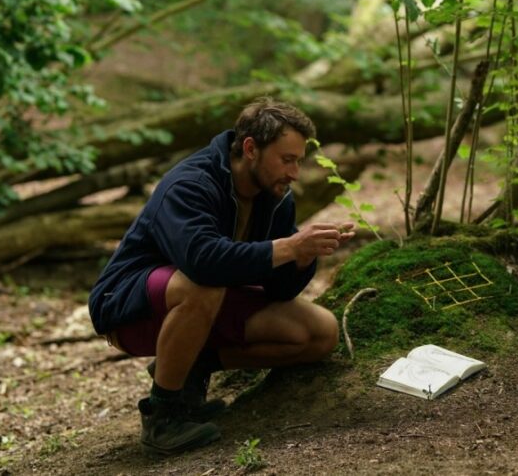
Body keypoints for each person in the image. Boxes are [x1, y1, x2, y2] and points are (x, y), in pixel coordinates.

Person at [88, 97, 355, 455]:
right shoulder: (190, 183)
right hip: (128, 307)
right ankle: (163, 415)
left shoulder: (276, 197)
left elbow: (280, 288)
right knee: (204, 284)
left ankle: (192, 367)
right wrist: (289, 247)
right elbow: (203, 262)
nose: (294, 173)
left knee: (320, 333)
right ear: (250, 149)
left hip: (206, 302)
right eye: (286, 159)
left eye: (298, 161)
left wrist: (303, 257)